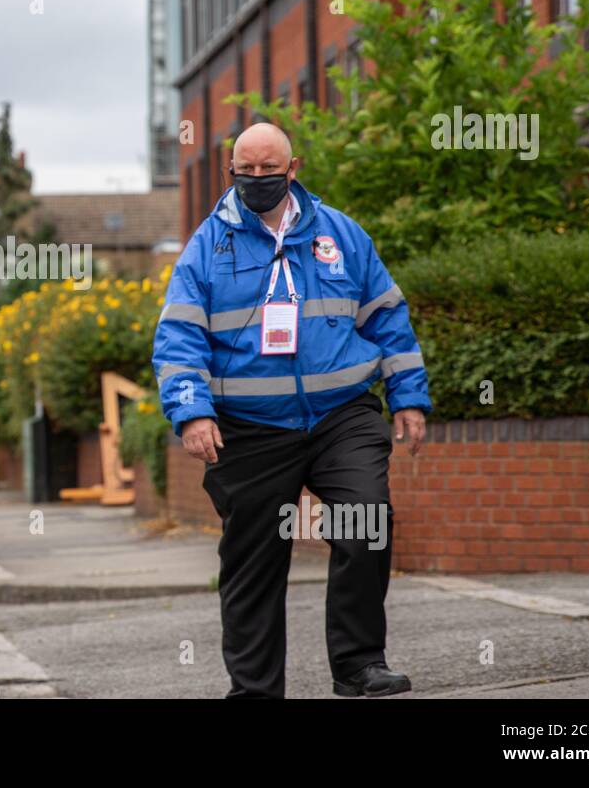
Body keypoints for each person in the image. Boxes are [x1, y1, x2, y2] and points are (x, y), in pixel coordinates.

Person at [153, 122, 430, 698]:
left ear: (293, 167)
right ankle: (255, 691)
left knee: (366, 519)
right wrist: (192, 412)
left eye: (268, 169)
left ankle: (358, 665)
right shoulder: (207, 247)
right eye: (245, 171)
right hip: (249, 429)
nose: (257, 180)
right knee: (253, 564)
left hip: (340, 415)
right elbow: (179, 338)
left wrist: (407, 396)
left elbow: (387, 317)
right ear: (231, 172)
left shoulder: (342, 235)